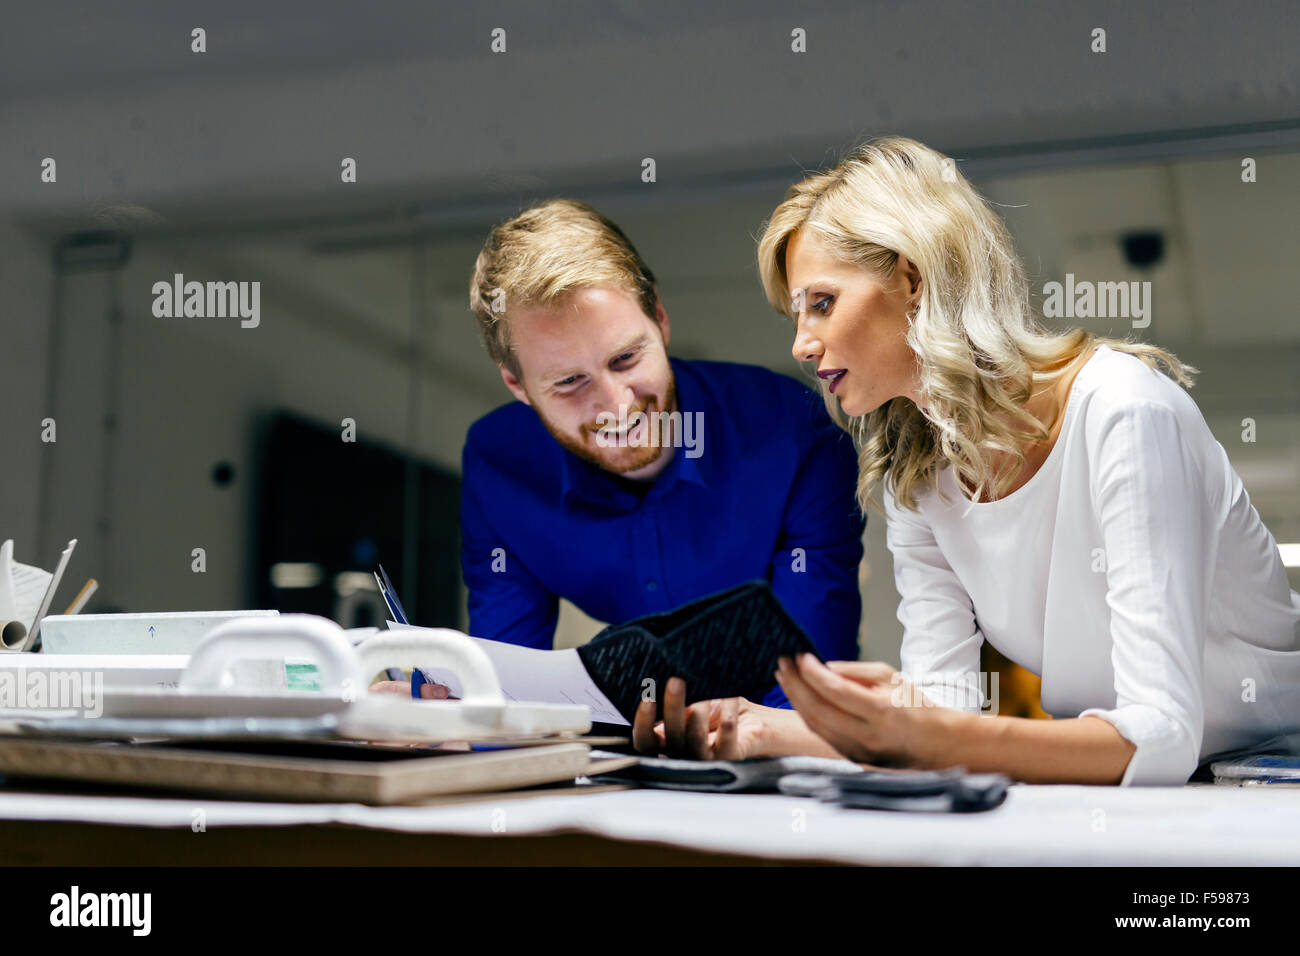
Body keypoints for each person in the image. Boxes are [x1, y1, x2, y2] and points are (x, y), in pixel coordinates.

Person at [636, 136, 1300, 786]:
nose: (802, 346)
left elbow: (1161, 735)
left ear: (912, 279)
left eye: (822, 303)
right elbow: (942, 715)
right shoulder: (916, 474)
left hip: (1270, 779)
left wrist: (932, 733)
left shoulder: (1124, 411)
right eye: (795, 316)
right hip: (1131, 790)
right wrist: (759, 729)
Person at [380, 198, 866, 720]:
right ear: (516, 385)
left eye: (625, 359)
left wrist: (725, 746)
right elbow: (506, 684)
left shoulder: (794, 432)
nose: (617, 405)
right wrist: (442, 717)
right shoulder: (500, 466)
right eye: (569, 382)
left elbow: (813, 688)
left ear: (659, 317)